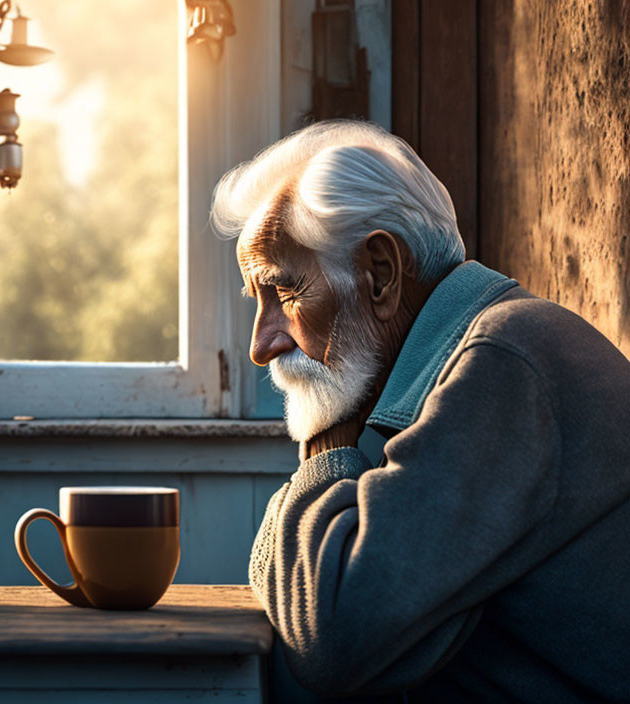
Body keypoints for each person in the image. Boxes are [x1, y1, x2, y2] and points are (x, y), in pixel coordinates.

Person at [211, 120, 630, 702]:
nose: (261, 344)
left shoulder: (503, 363)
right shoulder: (462, 362)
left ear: (380, 274)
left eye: (282, 293)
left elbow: (331, 636)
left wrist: (326, 451)